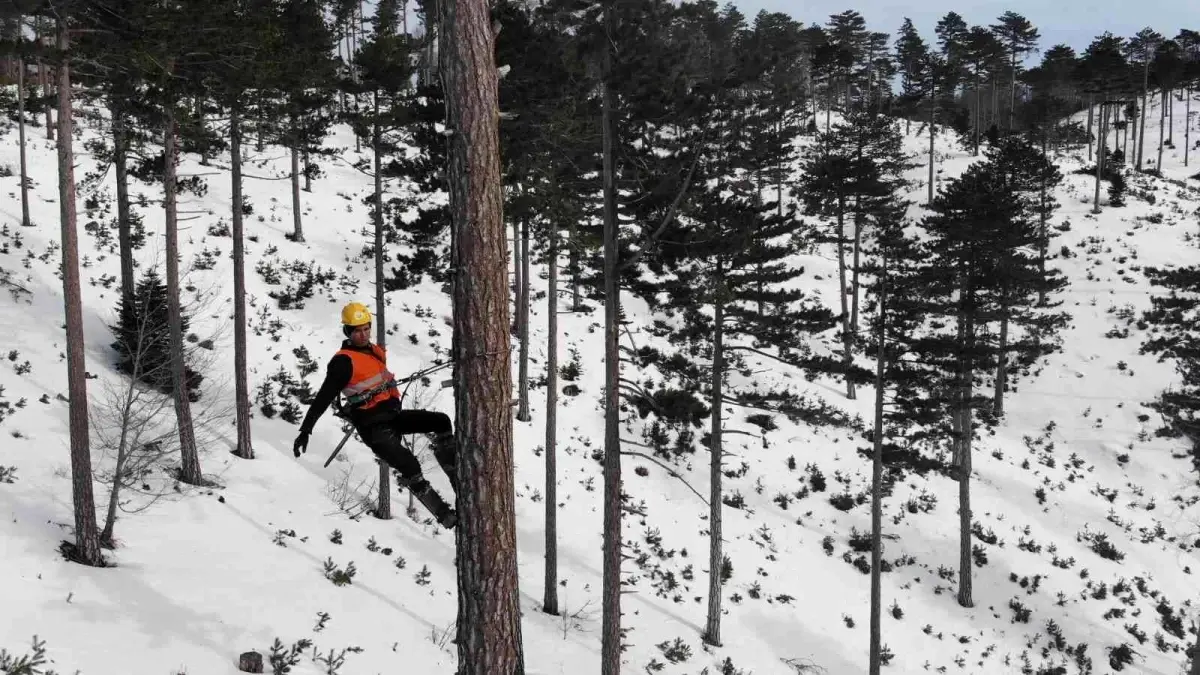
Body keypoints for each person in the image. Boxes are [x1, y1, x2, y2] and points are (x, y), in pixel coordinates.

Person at [293, 301, 458, 529]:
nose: (363, 334)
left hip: (393, 417)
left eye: (366, 328)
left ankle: (459, 480)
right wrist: (305, 429)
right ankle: (446, 516)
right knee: (411, 466)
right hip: (374, 429)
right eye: (357, 330)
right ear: (348, 332)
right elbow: (323, 396)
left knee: (441, 421)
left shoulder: (372, 354)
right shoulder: (343, 362)